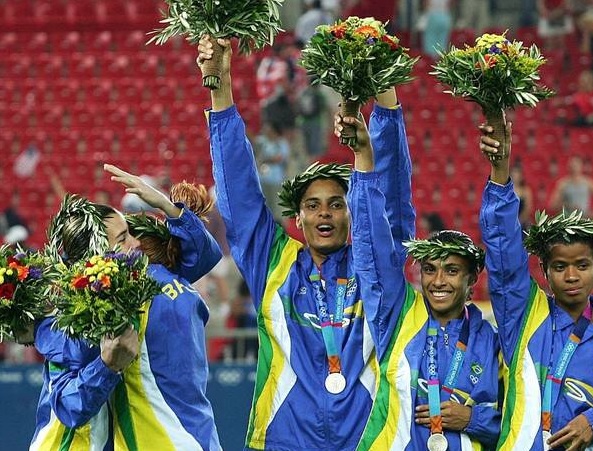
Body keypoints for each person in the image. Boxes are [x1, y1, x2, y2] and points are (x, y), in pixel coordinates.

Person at [198, 36, 413, 450]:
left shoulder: (372, 271)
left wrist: (385, 99)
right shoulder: (275, 264)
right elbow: (240, 197)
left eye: (336, 204)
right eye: (313, 206)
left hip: (367, 440)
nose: (325, 214)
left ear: (352, 213)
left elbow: (391, 201)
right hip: (285, 440)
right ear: (297, 219)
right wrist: (220, 87)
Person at [479, 116, 593, 450]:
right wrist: (500, 174)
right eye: (560, 266)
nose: (571, 276)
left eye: (582, 265)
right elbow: (502, 255)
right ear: (544, 271)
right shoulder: (524, 316)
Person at [32, 167, 223, 450]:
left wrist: (165, 205)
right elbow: (69, 405)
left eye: (131, 233)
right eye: (123, 239)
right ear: (94, 260)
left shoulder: (142, 283)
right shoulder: (86, 312)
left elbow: (206, 255)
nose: (136, 244)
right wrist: (107, 366)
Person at [347, 119, 500, 448]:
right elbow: (371, 245)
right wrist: (363, 161)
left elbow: (520, 417)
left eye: (452, 271)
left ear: (472, 277)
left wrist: (473, 420)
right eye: (430, 269)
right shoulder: (398, 317)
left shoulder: (490, 340)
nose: (438, 281)